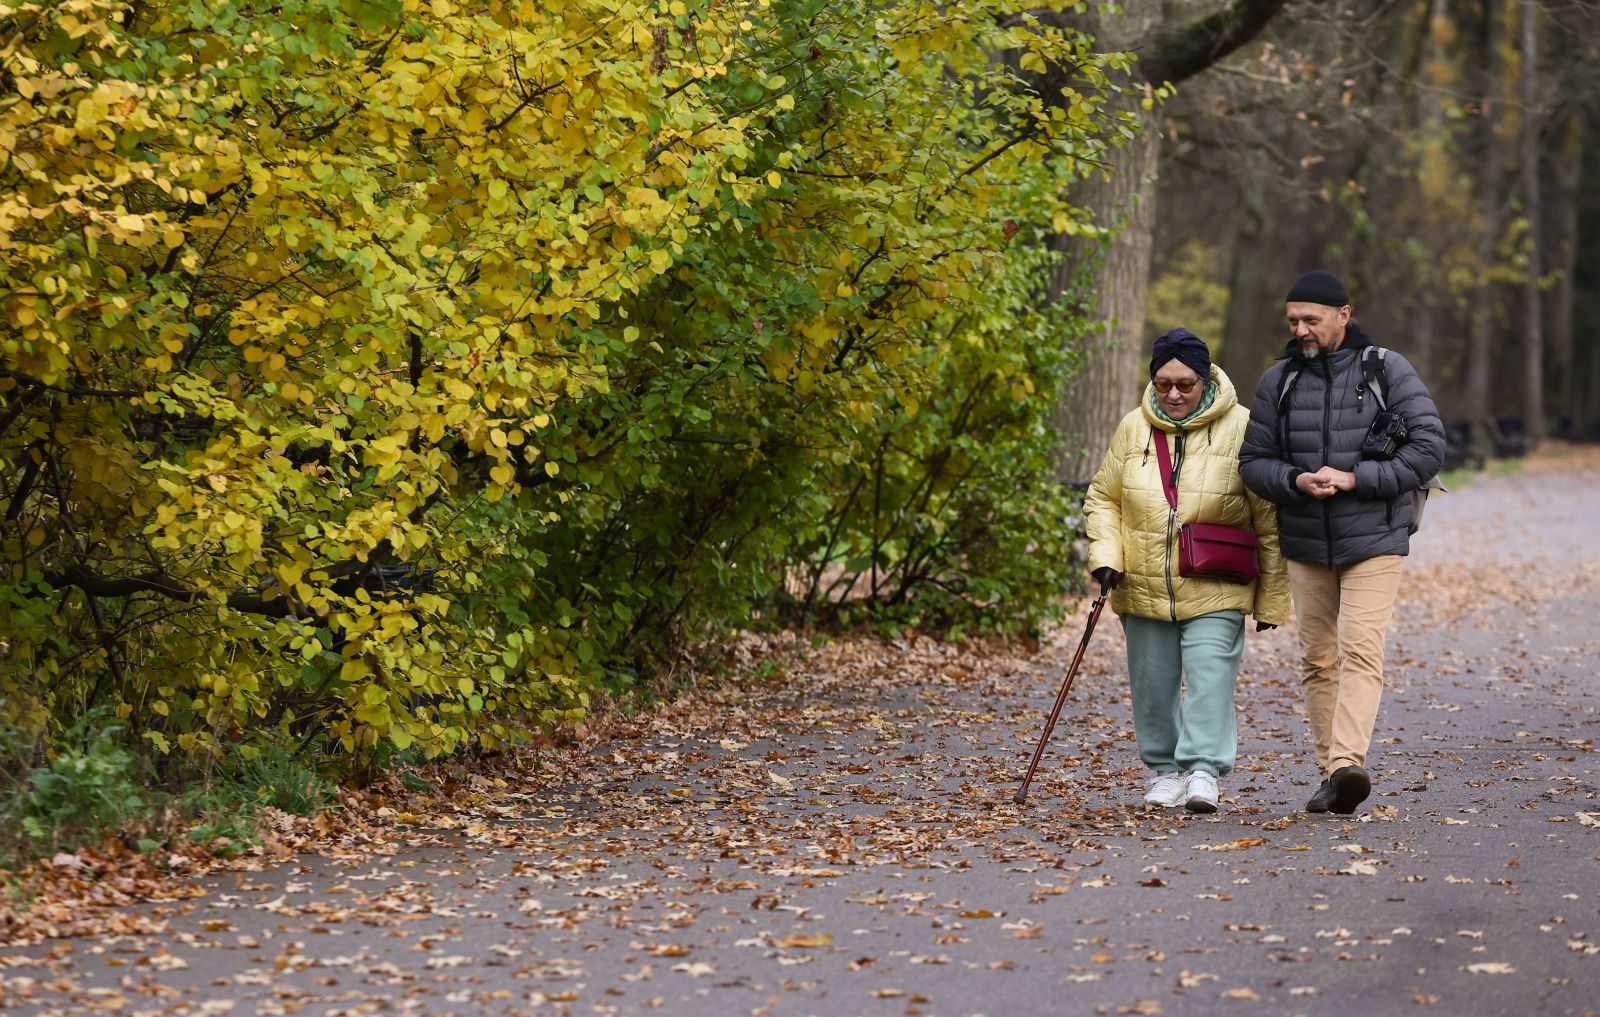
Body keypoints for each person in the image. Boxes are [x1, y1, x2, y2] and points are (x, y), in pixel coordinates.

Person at [1239, 270, 1444, 815]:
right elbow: (1253, 462)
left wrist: (1356, 480)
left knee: (1359, 645)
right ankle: (1335, 775)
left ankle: (1347, 761)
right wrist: (1295, 482)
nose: (1301, 329)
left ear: (1343, 316)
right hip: (1305, 539)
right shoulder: (1277, 381)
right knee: (1317, 658)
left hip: (1375, 535)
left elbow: (1428, 448)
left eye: (1311, 319)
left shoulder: (1386, 369)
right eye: (1293, 321)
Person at [1085, 328, 1290, 813]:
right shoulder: (1133, 427)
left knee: (1210, 675)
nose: (1174, 394)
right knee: (1153, 687)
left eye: (1185, 384)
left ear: (1206, 380)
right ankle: (1164, 771)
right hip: (1143, 582)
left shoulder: (1243, 426)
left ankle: (1202, 769)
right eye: (1163, 384)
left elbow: (1269, 516)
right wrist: (1106, 557)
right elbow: (1103, 498)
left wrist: (1273, 598)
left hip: (1217, 580)